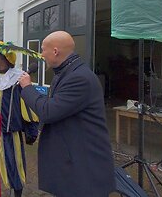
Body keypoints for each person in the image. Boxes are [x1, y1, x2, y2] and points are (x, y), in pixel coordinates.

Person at [18, 31, 115, 197]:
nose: (41, 55)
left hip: (84, 167)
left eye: (43, 50)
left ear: (55, 51)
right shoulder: (67, 73)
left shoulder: (79, 78)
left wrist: (27, 88)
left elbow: (48, 111)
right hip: (73, 161)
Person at [0, 41, 39, 197]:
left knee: (14, 164)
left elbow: (28, 106)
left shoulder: (17, 79)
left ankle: (17, 193)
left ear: (5, 58)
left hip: (10, 132)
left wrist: (31, 131)